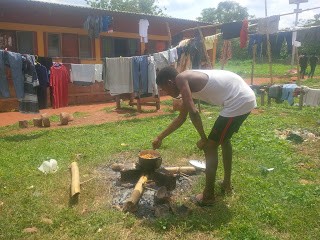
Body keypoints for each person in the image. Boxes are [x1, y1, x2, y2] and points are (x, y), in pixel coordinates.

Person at [152, 66, 256, 206]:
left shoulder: (181, 79)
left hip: (238, 101)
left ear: (170, 82)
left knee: (210, 147)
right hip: (242, 98)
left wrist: (204, 139)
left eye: (164, 89)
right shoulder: (186, 82)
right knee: (224, 140)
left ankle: (208, 195)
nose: (166, 93)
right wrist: (160, 137)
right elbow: (182, 117)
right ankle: (226, 184)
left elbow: (194, 112)